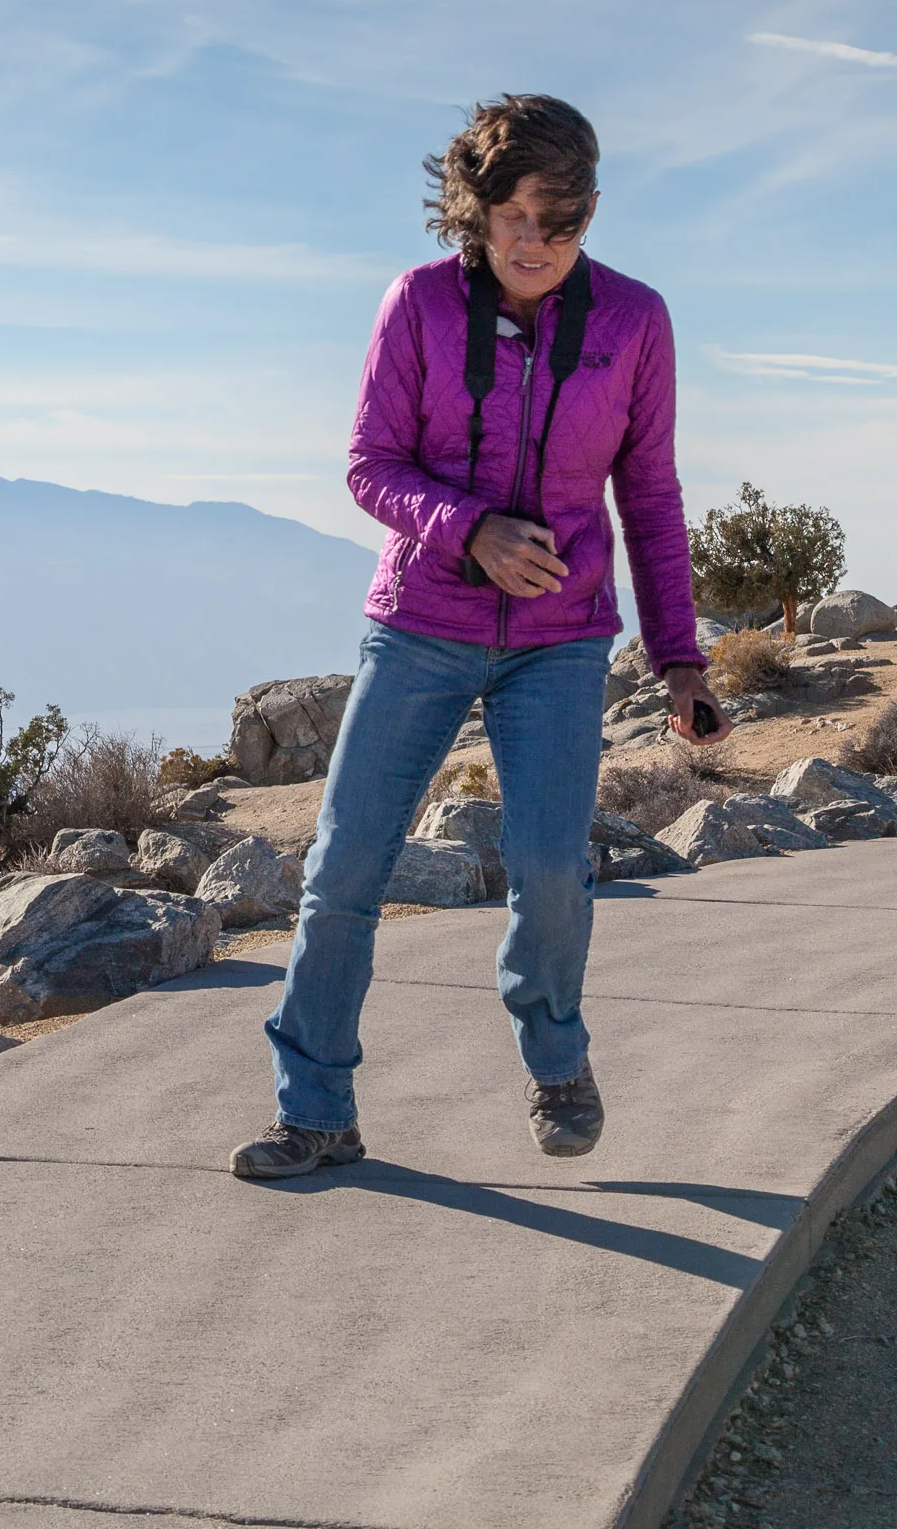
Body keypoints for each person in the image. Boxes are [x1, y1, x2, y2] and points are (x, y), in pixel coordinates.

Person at [229, 93, 725, 1181]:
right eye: (515, 217)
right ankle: (315, 1110)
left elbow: (649, 492)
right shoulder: (417, 304)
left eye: (562, 219)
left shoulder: (636, 320)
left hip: (562, 639)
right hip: (420, 623)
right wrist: (471, 532)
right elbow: (371, 464)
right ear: (475, 210)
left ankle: (558, 1061)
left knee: (550, 866)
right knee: (345, 868)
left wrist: (681, 656)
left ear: (590, 215)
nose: (537, 243)